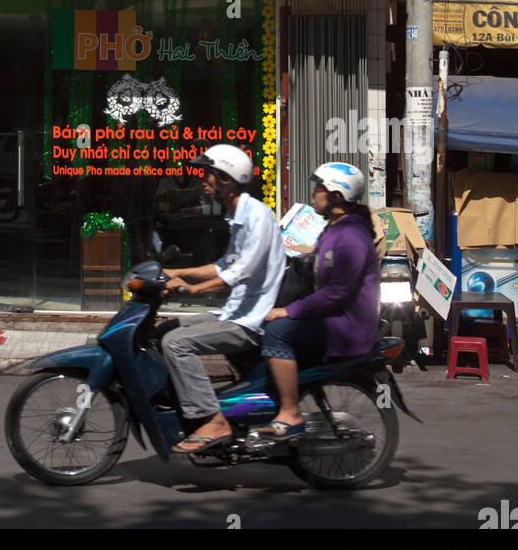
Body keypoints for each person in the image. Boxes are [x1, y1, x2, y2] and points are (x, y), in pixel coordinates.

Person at [160, 145, 286, 456]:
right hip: (234, 311)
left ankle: (213, 420)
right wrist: (175, 272)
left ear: (227, 180)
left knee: (176, 344)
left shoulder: (257, 216)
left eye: (209, 175)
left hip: (249, 320)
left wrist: (192, 291)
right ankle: (180, 401)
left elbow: (242, 271)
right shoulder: (237, 216)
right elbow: (223, 265)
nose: (203, 180)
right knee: (164, 330)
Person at [258, 161, 380, 438]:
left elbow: (337, 293)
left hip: (346, 326)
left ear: (336, 196)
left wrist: (288, 311)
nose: (314, 193)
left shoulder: (351, 236)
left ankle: (290, 411)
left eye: (319, 187)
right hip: (330, 317)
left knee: (277, 333)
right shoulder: (334, 229)